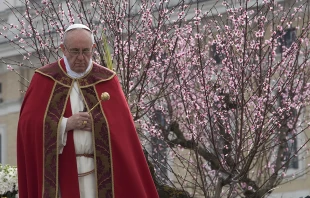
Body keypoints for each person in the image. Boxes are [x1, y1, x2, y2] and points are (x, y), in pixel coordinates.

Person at [17, 24, 159, 198]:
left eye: (86, 51)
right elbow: (28, 126)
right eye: (75, 51)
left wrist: (100, 123)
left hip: (99, 177)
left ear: (93, 48)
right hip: (61, 175)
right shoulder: (44, 78)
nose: (81, 58)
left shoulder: (107, 80)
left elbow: (124, 131)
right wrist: (66, 124)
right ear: (63, 49)